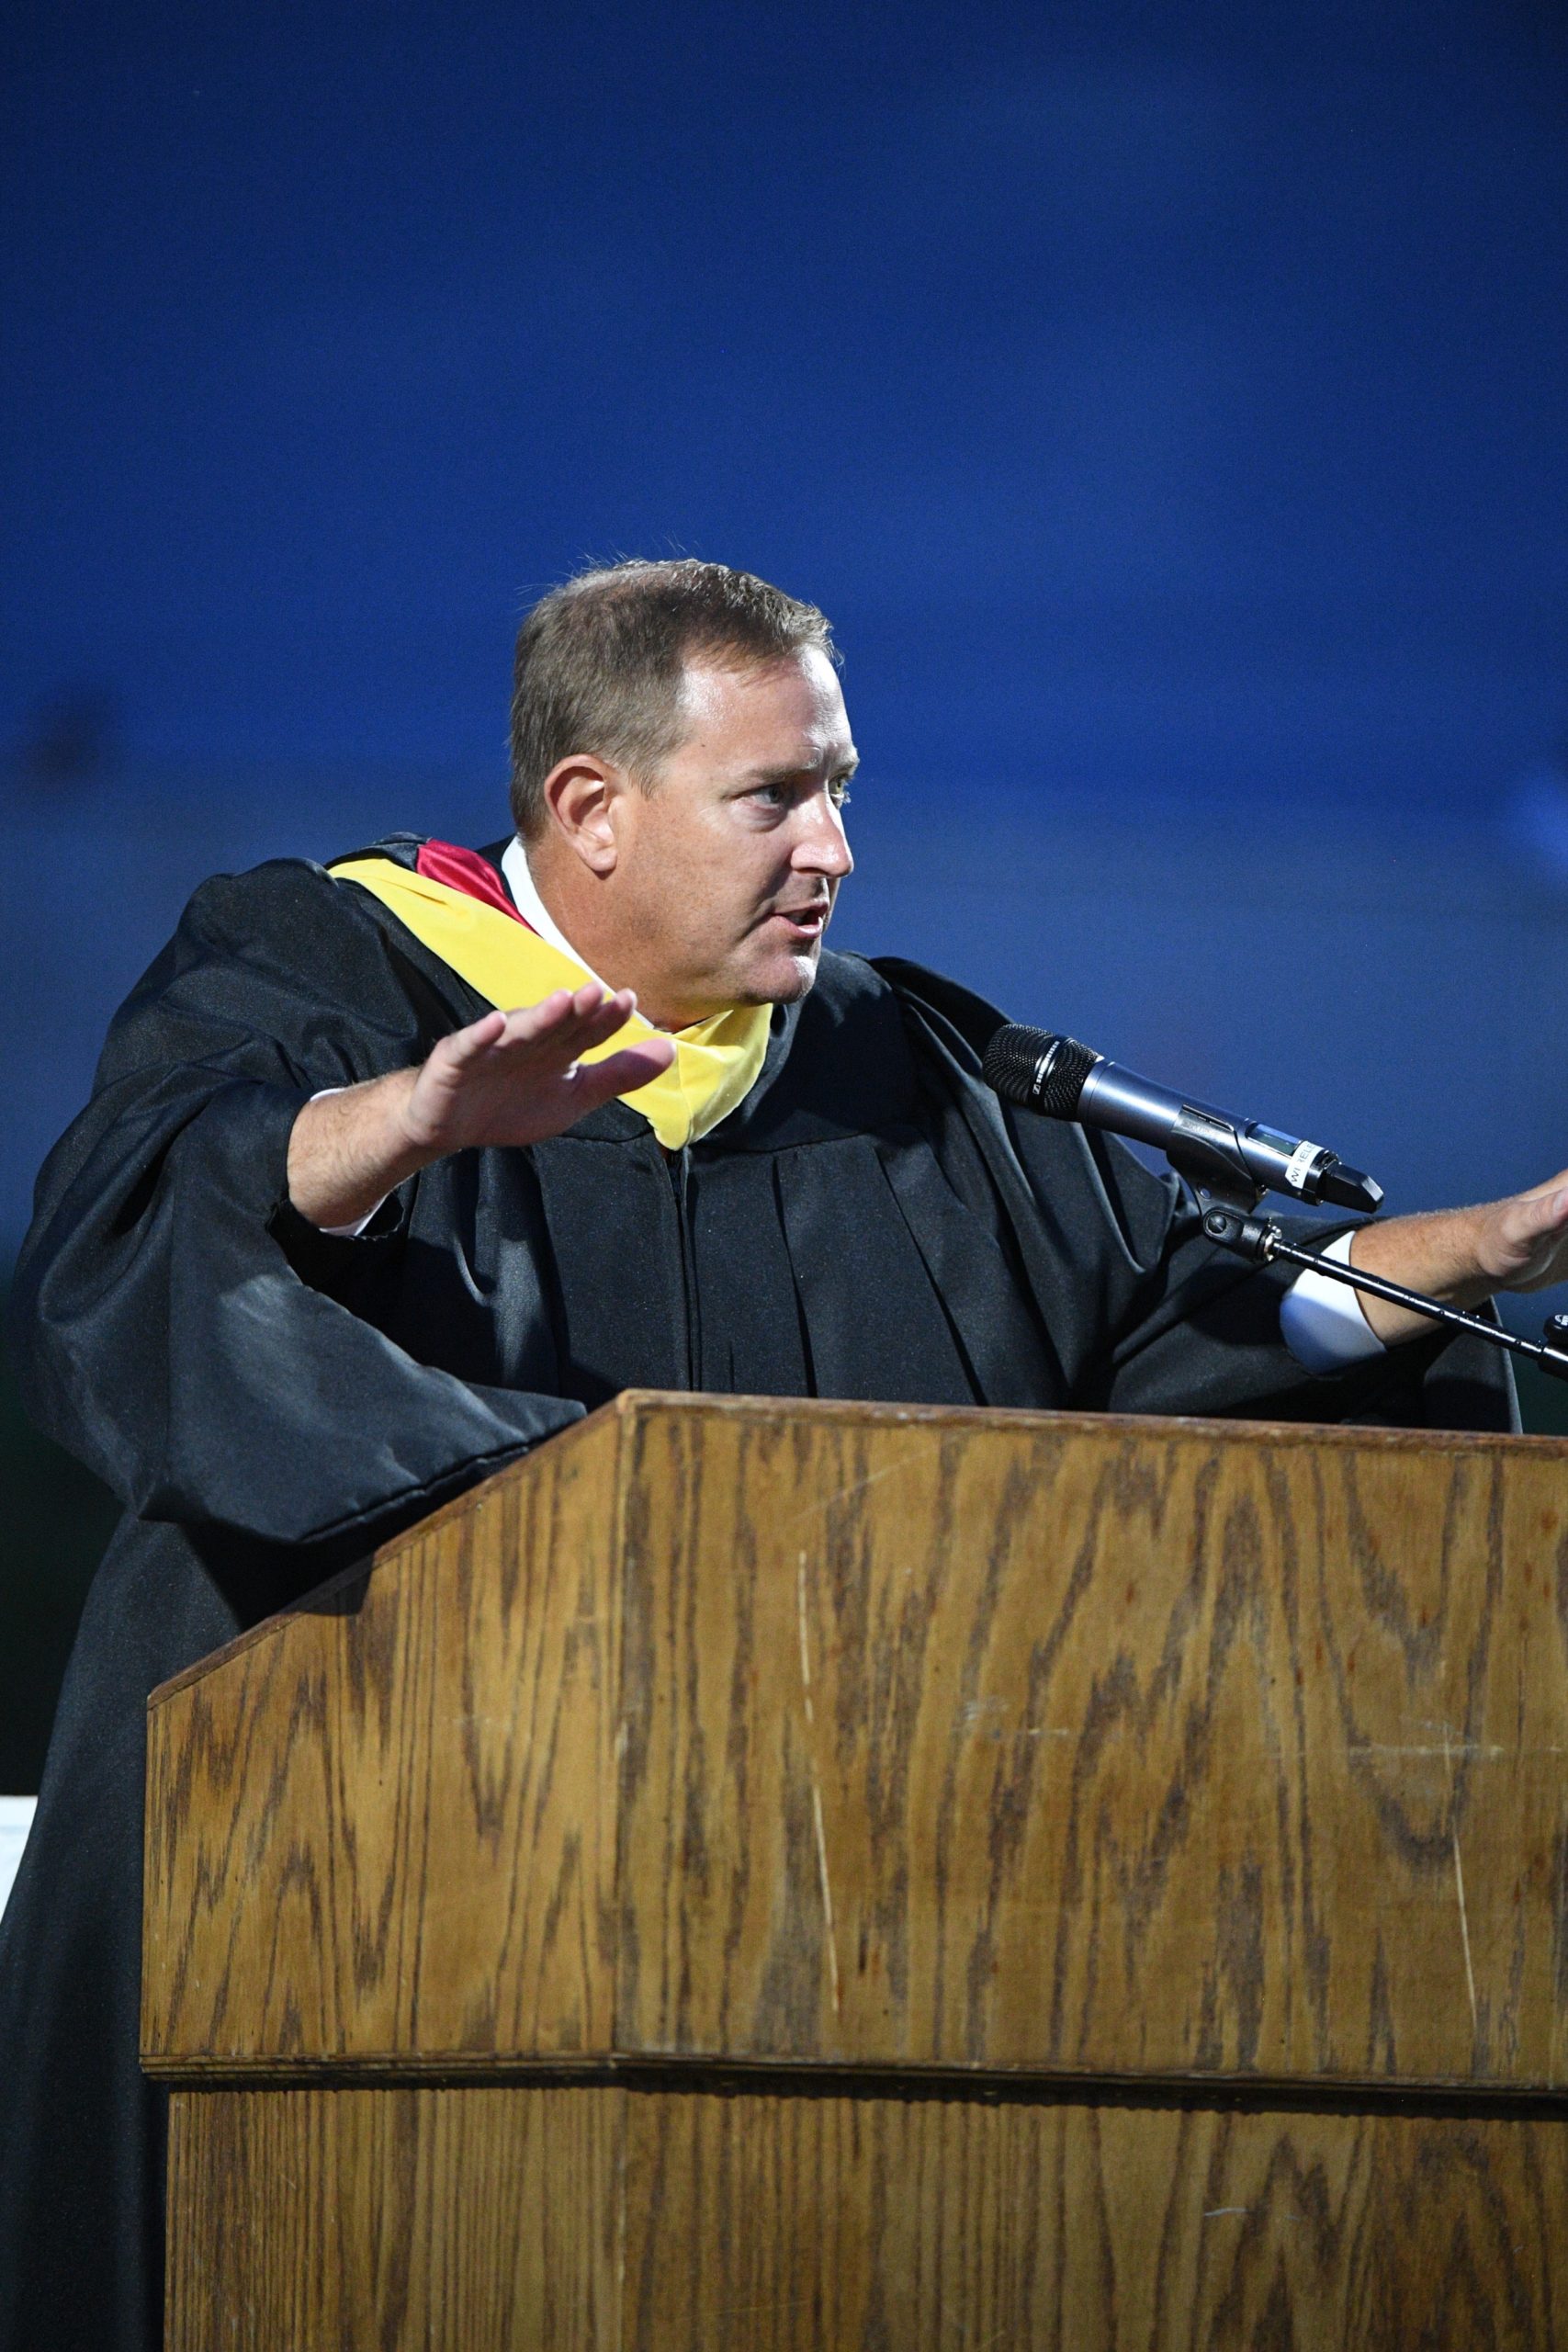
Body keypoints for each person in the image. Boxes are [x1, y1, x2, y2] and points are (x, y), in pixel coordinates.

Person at [3, 559, 1566, 2352]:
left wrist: (1472, 1251)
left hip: (793, 1961)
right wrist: (396, 1123)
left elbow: (1166, 1342)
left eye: (840, 789)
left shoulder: (903, 1072)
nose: (833, 847)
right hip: (318, 1881)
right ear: (590, 807)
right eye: (774, 795)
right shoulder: (319, 965)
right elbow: (146, 1226)